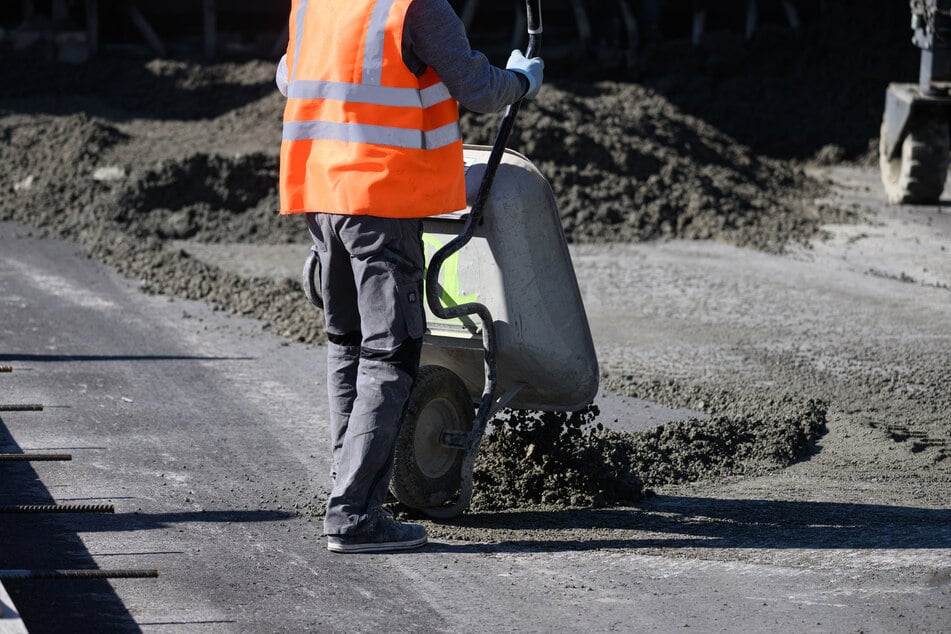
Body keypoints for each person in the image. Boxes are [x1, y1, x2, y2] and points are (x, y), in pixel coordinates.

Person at [276, 0, 543, 553]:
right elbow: (476, 88)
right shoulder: (415, 6)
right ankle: (353, 515)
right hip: (380, 198)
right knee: (391, 354)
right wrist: (521, 79)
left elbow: (288, 76)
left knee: (347, 342)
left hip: (322, 193)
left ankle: (348, 484)